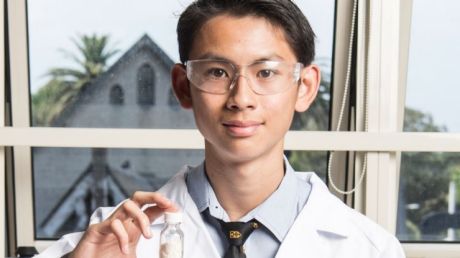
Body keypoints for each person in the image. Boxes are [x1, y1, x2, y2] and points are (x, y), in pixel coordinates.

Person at [36, 0, 406, 257]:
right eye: (217, 72)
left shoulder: (369, 249)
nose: (241, 98)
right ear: (183, 86)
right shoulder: (109, 239)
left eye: (265, 72)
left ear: (304, 87)